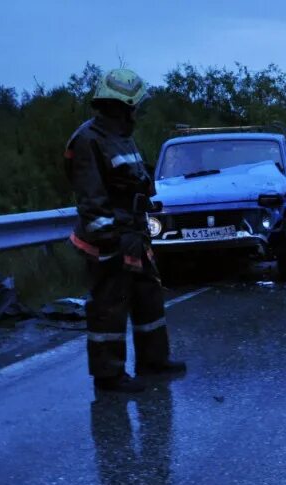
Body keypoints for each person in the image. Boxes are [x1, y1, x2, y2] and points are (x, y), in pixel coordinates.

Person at [65, 68, 185, 393]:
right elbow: (91, 199)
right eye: (135, 106)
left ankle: (153, 361)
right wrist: (109, 241)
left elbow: (135, 181)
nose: (137, 112)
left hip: (135, 234)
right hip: (110, 239)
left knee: (148, 298)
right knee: (109, 305)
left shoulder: (122, 136)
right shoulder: (88, 139)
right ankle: (109, 376)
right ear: (122, 104)